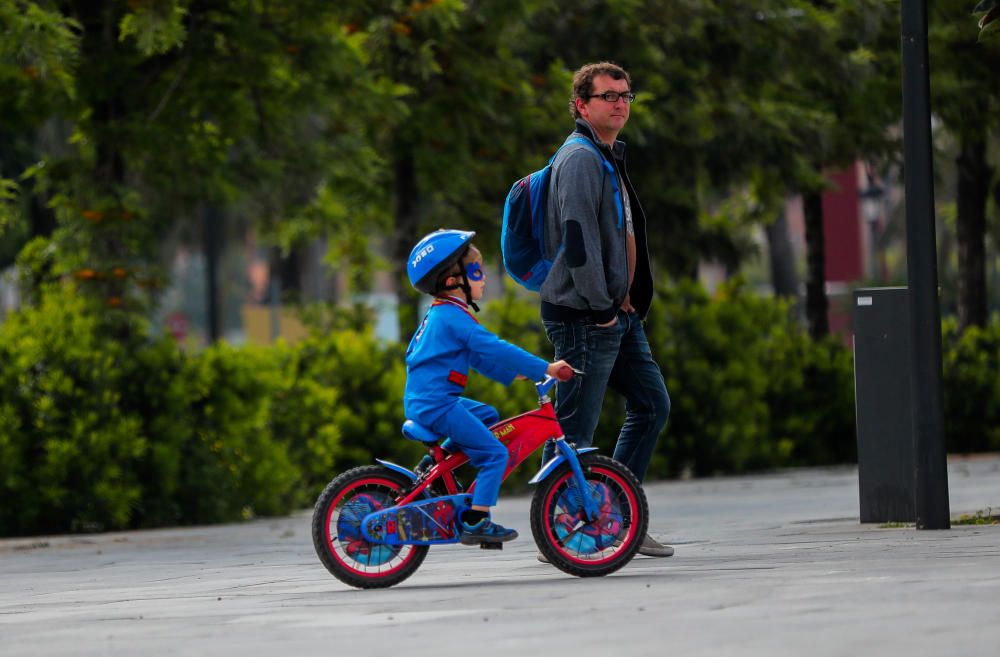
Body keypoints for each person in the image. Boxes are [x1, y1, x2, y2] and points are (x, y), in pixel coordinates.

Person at [539, 62, 674, 558]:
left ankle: (617, 516)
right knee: (575, 430)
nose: (620, 103)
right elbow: (576, 240)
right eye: (608, 96)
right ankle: (560, 532)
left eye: (626, 94)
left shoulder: (608, 155)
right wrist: (600, 308)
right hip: (585, 315)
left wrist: (619, 306)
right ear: (581, 105)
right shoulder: (578, 159)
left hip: (618, 312)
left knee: (651, 404)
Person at [404, 228, 571, 545]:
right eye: (477, 273)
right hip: (438, 404)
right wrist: (545, 367)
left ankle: (433, 469)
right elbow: (495, 348)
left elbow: (479, 359)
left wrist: (514, 375)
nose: (483, 280)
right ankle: (476, 520)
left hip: (429, 401)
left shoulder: (444, 314)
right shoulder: (455, 319)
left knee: (488, 415)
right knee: (495, 454)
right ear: (454, 282)